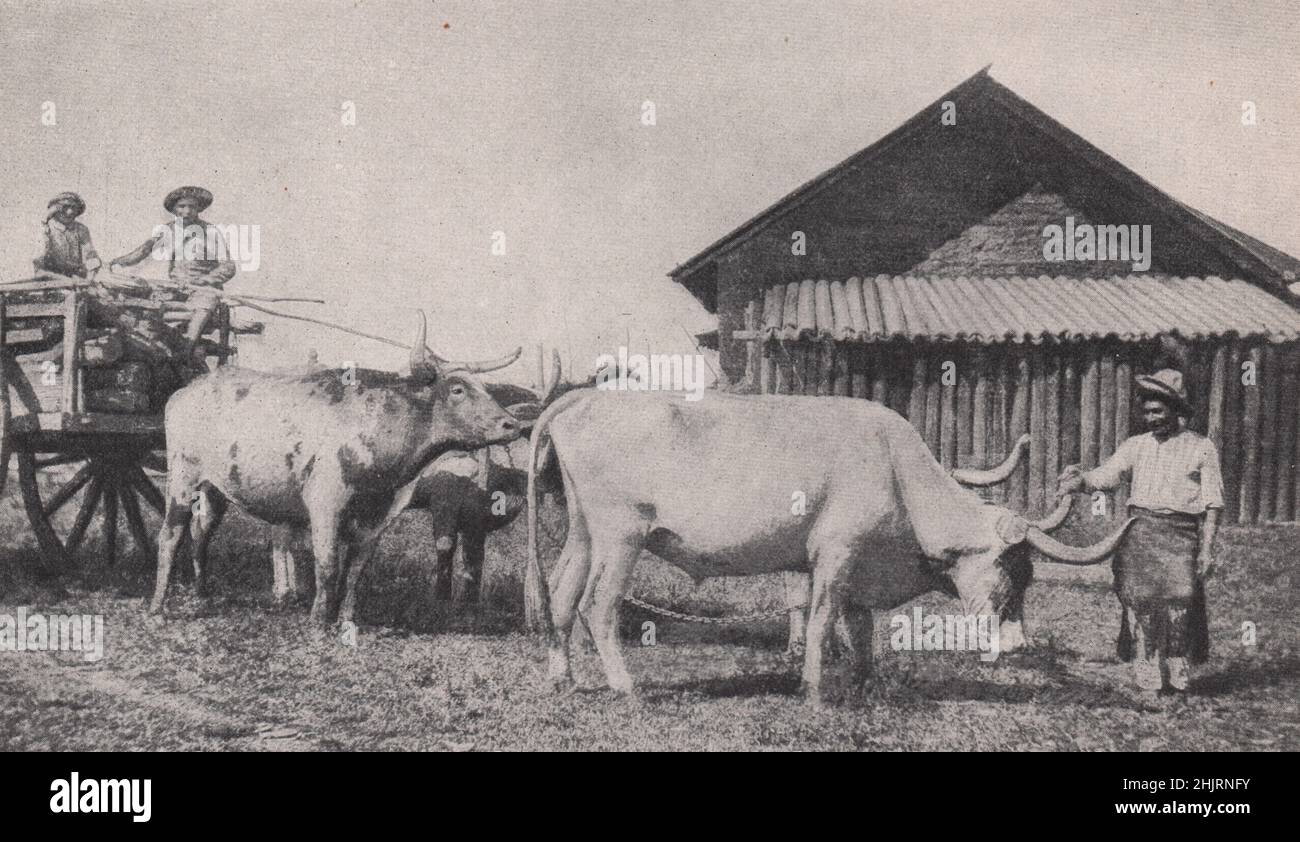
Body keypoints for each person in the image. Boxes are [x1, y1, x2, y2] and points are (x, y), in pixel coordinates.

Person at [1058, 368, 1222, 701]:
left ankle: (1178, 679)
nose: (1151, 418)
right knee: (1141, 606)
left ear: (1176, 410)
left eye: (1157, 411)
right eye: (1146, 412)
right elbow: (1108, 475)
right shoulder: (1136, 446)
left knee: (1180, 605)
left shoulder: (1202, 448)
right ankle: (1147, 678)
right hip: (1139, 535)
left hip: (1181, 537)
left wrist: (1206, 550)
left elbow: (1213, 504)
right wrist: (1082, 481)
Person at [109, 186, 236, 356]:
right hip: (176, 288)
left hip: (203, 289)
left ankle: (187, 349)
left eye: (192, 206)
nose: (187, 211)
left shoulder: (211, 232)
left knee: (203, 308)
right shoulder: (167, 230)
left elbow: (229, 266)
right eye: (182, 206)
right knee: (146, 305)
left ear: (199, 209)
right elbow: (143, 251)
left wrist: (206, 280)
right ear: (174, 210)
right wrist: (117, 262)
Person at [35, 192, 102, 280]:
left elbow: (90, 255)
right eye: (65, 207)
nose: (70, 212)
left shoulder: (81, 229)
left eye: (74, 208)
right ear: (55, 210)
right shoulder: (46, 228)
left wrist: (90, 277)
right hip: (51, 278)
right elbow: (39, 262)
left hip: (77, 277)